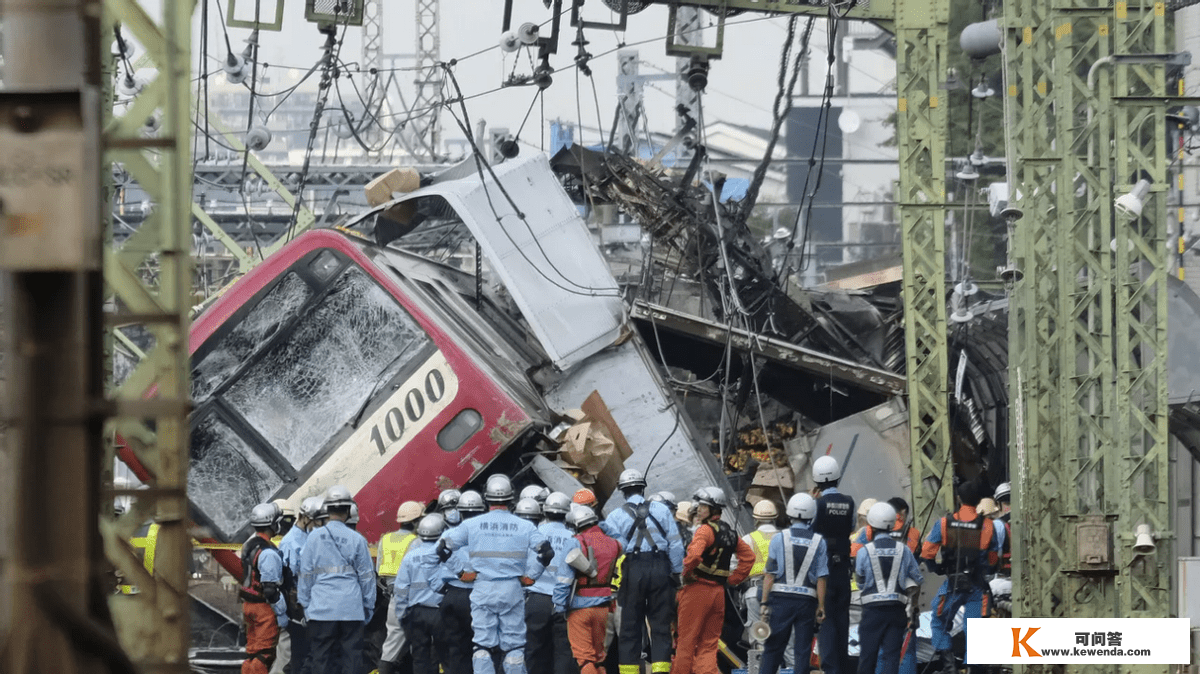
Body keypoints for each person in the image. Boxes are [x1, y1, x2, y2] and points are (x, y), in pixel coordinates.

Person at [438, 474, 553, 674]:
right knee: (514, 646)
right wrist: (531, 577)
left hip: (483, 587)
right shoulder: (525, 526)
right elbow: (546, 551)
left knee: (482, 646)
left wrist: (461, 573)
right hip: (512, 588)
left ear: (486, 498)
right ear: (511, 498)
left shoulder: (471, 525)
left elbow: (443, 548)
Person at [600, 468, 685, 674]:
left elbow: (611, 552)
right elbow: (675, 545)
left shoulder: (614, 516)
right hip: (660, 568)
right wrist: (675, 573)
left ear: (622, 491)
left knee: (630, 627)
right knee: (660, 626)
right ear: (643, 488)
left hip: (632, 570)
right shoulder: (662, 510)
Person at [920, 481, 1001, 674]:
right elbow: (993, 559)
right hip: (977, 586)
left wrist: (938, 569)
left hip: (952, 585)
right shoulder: (987, 525)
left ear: (958, 498)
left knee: (938, 621)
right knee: (975, 628)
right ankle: (974, 668)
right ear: (979, 501)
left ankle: (949, 667)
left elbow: (927, 553)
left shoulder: (944, 523)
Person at [675, 487, 755, 674]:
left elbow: (694, 556)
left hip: (697, 590)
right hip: (718, 594)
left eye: (703, 506)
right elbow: (749, 558)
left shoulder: (704, 530)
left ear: (713, 509)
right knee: (709, 644)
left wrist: (686, 574)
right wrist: (733, 579)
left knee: (686, 642)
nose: (699, 510)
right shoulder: (731, 533)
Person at [298, 485, 377, 674]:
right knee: (351, 660)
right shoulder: (357, 539)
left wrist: (306, 604)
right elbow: (367, 576)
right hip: (351, 609)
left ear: (327, 509)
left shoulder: (313, 538)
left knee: (321, 660)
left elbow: (305, 574)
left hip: (321, 609)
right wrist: (368, 605)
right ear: (349, 509)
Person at [759, 493, 828, 674]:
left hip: (780, 600)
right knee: (803, 650)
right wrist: (821, 606)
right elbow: (821, 577)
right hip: (806, 602)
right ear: (811, 515)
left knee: (773, 647)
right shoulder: (819, 542)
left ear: (789, 513)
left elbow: (770, 574)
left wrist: (764, 603)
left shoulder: (779, 538)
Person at [855, 502, 923, 674]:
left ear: (871, 526)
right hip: (896, 611)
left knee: (867, 657)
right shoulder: (904, 550)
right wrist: (912, 602)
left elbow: (860, 580)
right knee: (891, 658)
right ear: (892, 524)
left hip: (872, 612)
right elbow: (917, 578)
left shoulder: (865, 551)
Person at [565, 504, 622, 674]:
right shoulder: (614, 544)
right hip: (604, 607)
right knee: (598, 659)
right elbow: (622, 543)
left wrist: (560, 605)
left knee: (585, 660)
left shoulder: (575, 543)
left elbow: (564, 579)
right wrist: (607, 528)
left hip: (579, 607)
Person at [525, 492, 579, 674]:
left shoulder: (535, 534)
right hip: (564, 602)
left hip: (536, 599)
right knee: (563, 650)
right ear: (566, 513)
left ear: (545, 512)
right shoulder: (573, 538)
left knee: (534, 648)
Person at [811, 455, 855, 674]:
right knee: (842, 620)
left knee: (825, 619)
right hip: (843, 570)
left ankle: (831, 670)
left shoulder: (817, 504)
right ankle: (844, 667)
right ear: (837, 476)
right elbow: (851, 526)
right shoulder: (849, 502)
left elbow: (810, 531)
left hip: (823, 571)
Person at [438, 489, 486, 674]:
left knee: (457, 647)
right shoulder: (485, 534)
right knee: (484, 646)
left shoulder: (446, 536)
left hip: (452, 594)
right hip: (478, 594)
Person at [395, 514, 449, 674]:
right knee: (445, 657)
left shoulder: (410, 557)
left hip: (416, 613)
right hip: (441, 612)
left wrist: (402, 614)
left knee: (419, 658)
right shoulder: (446, 555)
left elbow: (401, 589)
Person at [377, 500, 426, 674]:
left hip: (393, 597)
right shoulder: (416, 542)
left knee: (392, 642)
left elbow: (379, 570)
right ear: (415, 521)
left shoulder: (386, 539)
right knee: (419, 643)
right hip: (413, 598)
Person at [275, 496, 321, 674]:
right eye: (316, 520)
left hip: (306, 602)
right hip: (295, 606)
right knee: (291, 655)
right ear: (306, 517)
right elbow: (291, 577)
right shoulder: (291, 542)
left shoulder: (306, 537)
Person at [241, 503, 288, 674]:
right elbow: (270, 589)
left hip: (248, 605)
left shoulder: (249, 545)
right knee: (264, 654)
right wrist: (282, 612)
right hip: (263, 609)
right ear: (272, 524)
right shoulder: (267, 552)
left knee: (252, 652)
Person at [742, 500, 781, 651]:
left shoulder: (748, 539)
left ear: (755, 519)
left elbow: (735, 566)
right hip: (780, 590)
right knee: (781, 634)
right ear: (775, 517)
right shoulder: (784, 537)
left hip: (754, 591)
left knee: (759, 634)